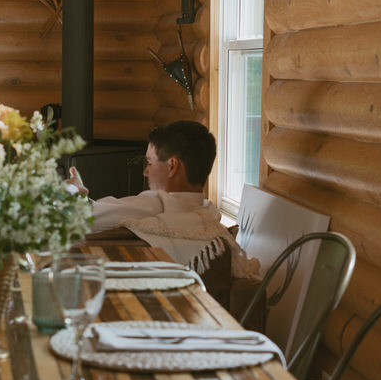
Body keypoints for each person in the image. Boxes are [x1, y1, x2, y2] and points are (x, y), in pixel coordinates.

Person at [69, 120, 259, 279]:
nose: (145, 172)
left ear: (172, 166)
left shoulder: (153, 206)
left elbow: (73, 220)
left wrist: (72, 191)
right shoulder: (209, 215)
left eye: (150, 162)